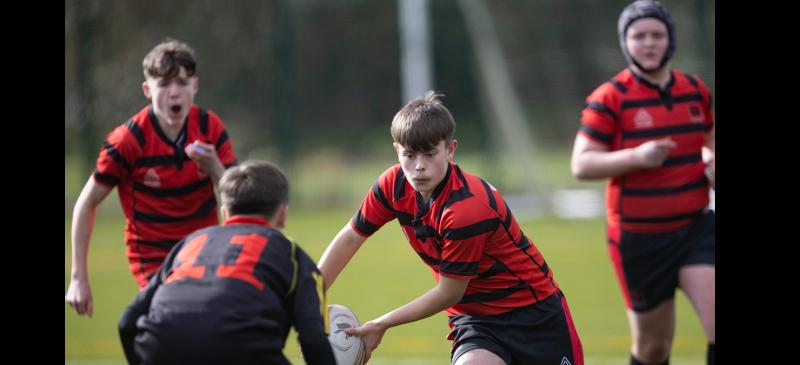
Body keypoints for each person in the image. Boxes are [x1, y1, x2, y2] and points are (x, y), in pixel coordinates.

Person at [318, 91, 583, 365]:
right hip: (476, 322)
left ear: (451, 149)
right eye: (409, 155)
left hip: (534, 316)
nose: (419, 167)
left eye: (430, 154)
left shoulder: (466, 209)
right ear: (397, 150)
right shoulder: (392, 186)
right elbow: (350, 237)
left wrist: (381, 324)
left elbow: (449, 291)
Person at [570, 1, 715, 364]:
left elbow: (710, 140)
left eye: (657, 35)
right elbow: (581, 164)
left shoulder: (695, 90)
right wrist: (637, 156)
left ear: (670, 40)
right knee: (654, 348)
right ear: (625, 42)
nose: (648, 43)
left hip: (697, 228)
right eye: (638, 36)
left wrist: (711, 160)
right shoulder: (610, 98)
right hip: (639, 240)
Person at [66, 38, 238, 317]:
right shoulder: (127, 140)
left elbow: (238, 200)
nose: (174, 93)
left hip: (205, 253)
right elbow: (86, 203)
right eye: (164, 84)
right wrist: (78, 278)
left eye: (182, 83)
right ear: (147, 89)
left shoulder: (210, 128)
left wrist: (216, 168)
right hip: (154, 263)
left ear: (195, 86)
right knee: (178, 326)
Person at [118, 160, 335, 365]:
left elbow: (127, 322)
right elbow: (313, 340)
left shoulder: (190, 243)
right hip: (242, 350)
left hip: (159, 348)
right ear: (282, 214)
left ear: (224, 213)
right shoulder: (293, 256)